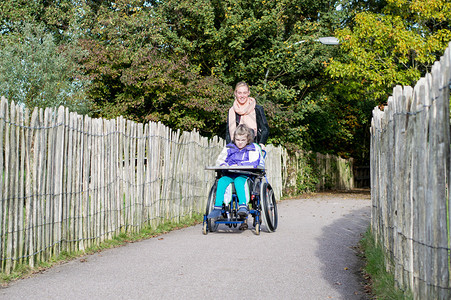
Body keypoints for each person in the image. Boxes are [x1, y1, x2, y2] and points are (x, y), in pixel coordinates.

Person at [208, 124, 265, 219]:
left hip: (245, 174)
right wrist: (225, 165)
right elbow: (220, 160)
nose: (240, 143)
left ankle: (243, 206)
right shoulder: (229, 148)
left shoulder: (253, 148)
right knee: (221, 181)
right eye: (238, 140)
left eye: (243, 140)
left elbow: (255, 162)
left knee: (239, 181)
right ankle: (217, 207)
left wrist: (240, 165)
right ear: (234, 138)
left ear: (248, 139)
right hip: (230, 173)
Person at [226, 81, 269, 146]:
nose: (242, 96)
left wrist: (261, 143)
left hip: (254, 146)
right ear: (235, 93)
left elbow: (265, 129)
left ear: (248, 93)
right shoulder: (232, 111)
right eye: (239, 93)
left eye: (245, 93)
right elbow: (228, 134)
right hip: (237, 148)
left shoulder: (257, 109)